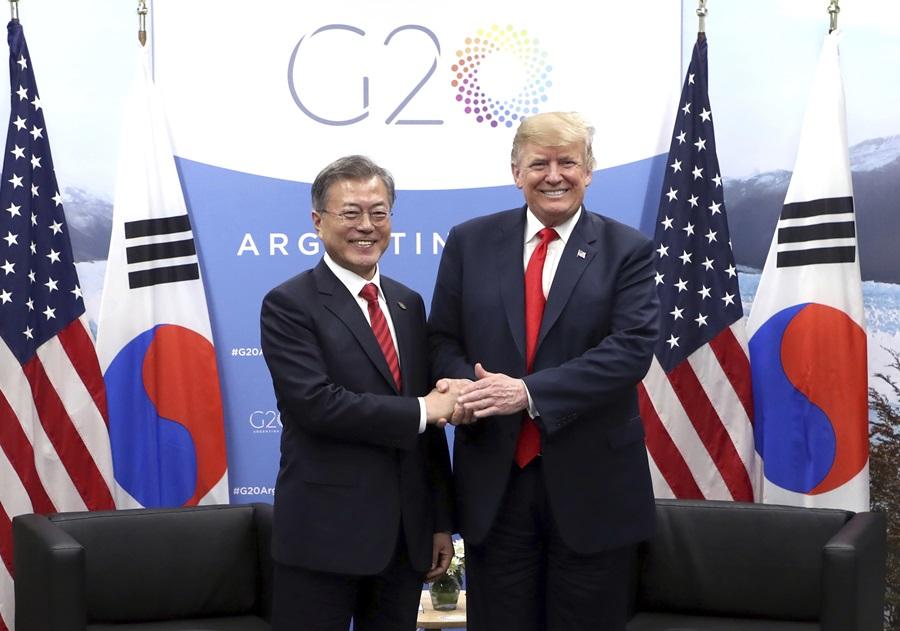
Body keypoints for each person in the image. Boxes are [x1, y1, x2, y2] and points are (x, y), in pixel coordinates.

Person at [429, 112, 660, 631]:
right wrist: (465, 386)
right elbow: (440, 339)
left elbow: (630, 352)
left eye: (567, 163)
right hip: (496, 485)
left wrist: (527, 393)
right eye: (539, 164)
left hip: (593, 488)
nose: (554, 176)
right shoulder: (469, 241)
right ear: (517, 173)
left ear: (589, 171)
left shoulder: (628, 250)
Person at [261, 155, 457, 631]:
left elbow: (429, 433)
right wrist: (422, 409)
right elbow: (316, 405)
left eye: (378, 212)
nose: (366, 226)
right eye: (350, 213)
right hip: (323, 536)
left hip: (405, 539)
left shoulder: (408, 303)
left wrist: (439, 521)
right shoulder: (289, 304)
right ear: (318, 221)